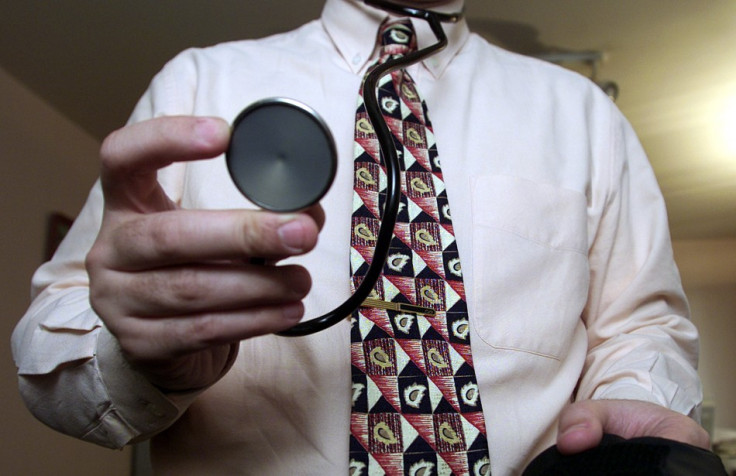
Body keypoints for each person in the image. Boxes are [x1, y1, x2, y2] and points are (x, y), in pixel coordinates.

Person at [12, 0, 709, 474]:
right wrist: (140, 355)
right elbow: (47, 349)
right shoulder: (200, 82)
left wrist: (633, 413)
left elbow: (637, 327)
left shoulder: (582, 113)